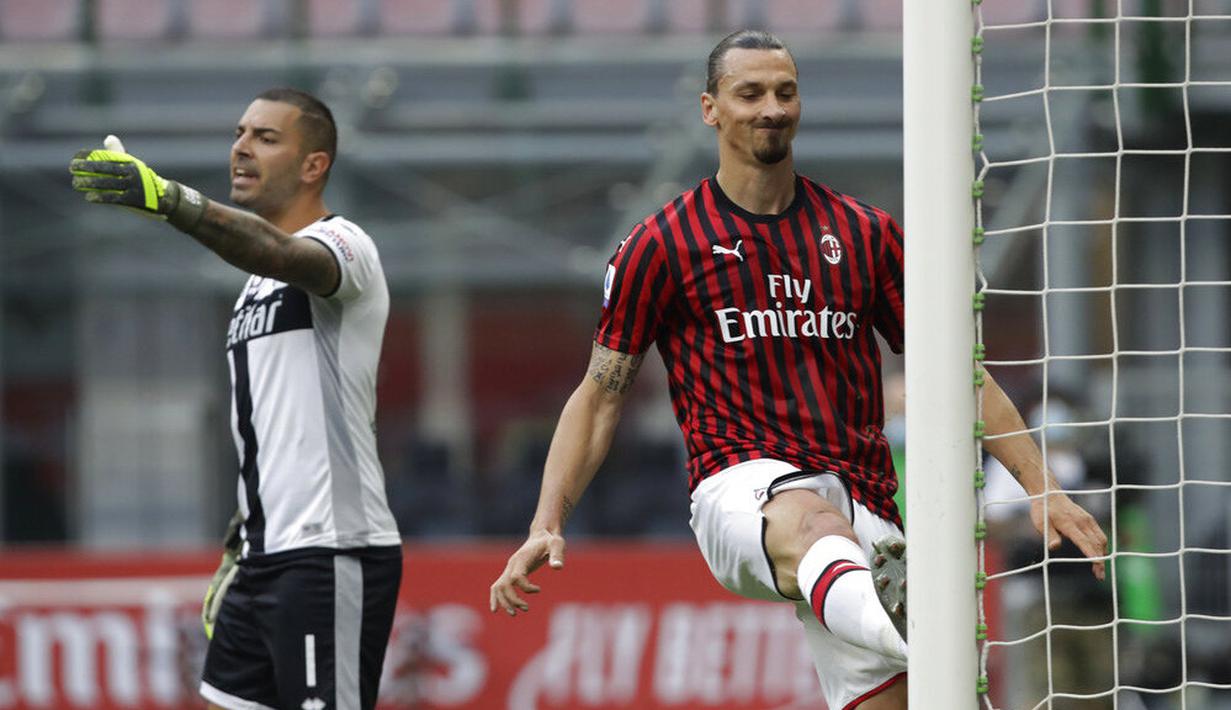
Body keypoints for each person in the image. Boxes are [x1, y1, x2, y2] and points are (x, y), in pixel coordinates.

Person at [488, 30, 1109, 710]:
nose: (771, 108)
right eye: (749, 93)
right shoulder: (661, 244)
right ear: (710, 109)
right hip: (740, 490)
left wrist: (1041, 486)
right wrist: (547, 520)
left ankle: (909, 646)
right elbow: (600, 396)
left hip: (863, 504)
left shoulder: (865, 234)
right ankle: (924, 643)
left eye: (785, 92)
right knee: (815, 527)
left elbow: (958, 372)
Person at [70, 88, 402, 710]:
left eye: (266, 138)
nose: (242, 148)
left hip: (330, 553)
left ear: (314, 165)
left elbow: (277, 251)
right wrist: (243, 533)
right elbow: (281, 422)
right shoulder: (253, 286)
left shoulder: (347, 246)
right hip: (262, 556)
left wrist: (173, 201)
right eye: (240, 133)